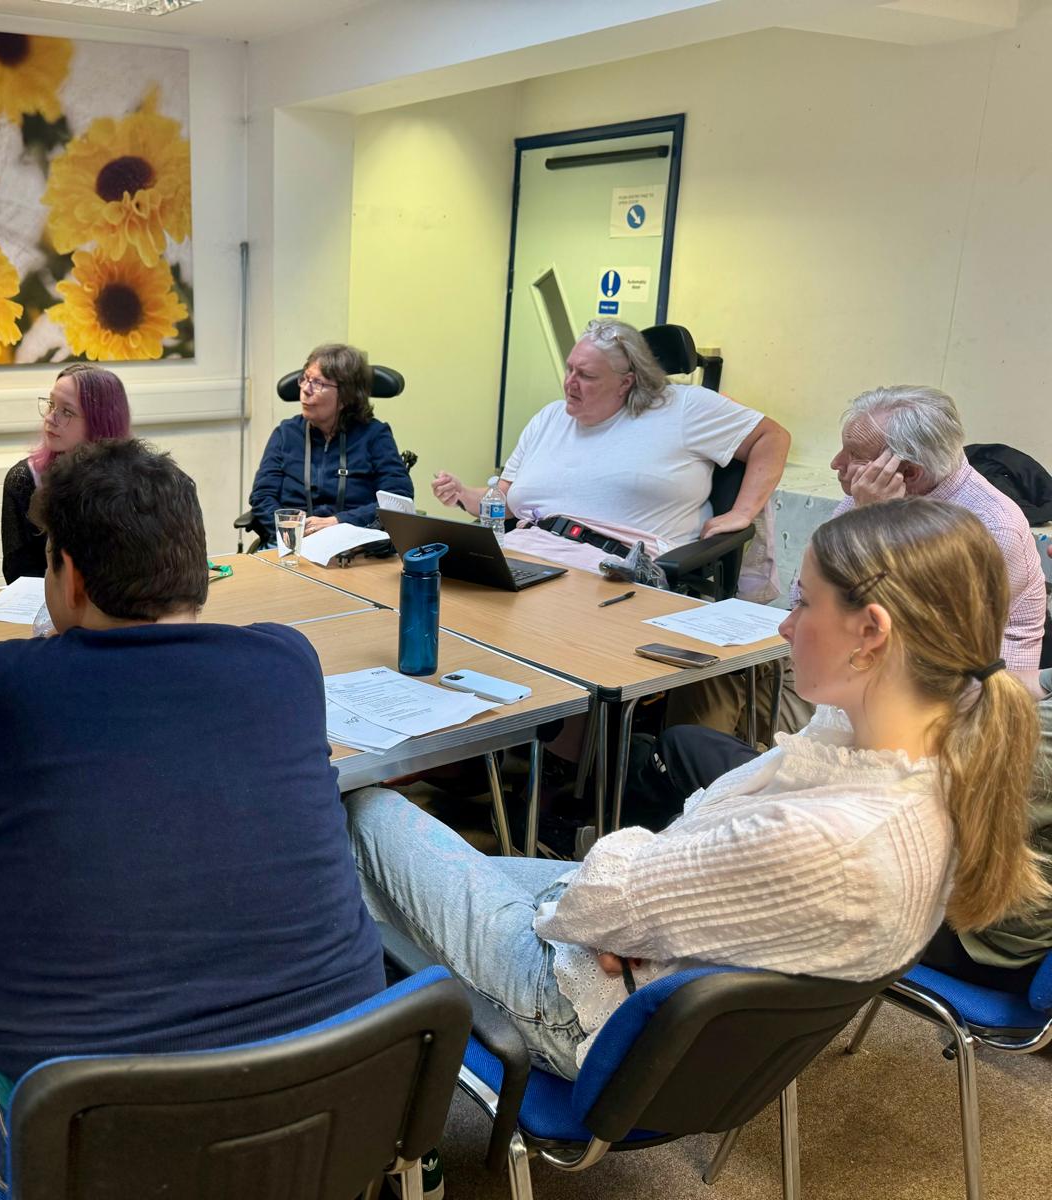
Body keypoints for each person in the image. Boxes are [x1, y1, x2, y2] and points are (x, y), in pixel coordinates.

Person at [349, 498, 1047, 1080]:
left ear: (871, 634)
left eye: (803, 603)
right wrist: (638, 897)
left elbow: (600, 901)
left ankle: (346, 1106)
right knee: (402, 881)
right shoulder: (912, 754)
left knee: (360, 813)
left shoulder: (837, 837)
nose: (784, 623)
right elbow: (647, 876)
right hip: (638, 955)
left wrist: (624, 897)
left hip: (579, 1001)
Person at [0, 438, 385, 1194]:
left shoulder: (9, 683)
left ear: (69, 575)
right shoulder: (286, 662)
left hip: (93, 1136)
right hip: (327, 1105)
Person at [670, 385, 1046, 745]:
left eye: (853, 455)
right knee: (712, 668)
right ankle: (707, 785)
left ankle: (739, 774)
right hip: (856, 658)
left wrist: (873, 523)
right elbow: (806, 591)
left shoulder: (991, 529)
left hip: (940, 699)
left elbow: (906, 639)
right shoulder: (870, 492)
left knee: (728, 718)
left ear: (909, 472)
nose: (837, 463)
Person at [431, 319, 789, 561]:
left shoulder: (682, 407)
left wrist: (742, 512)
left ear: (626, 382)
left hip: (617, 572)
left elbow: (772, 437)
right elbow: (504, 502)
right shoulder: (549, 418)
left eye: (586, 375)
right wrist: (463, 494)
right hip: (527, 558)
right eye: (569, 369)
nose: (570, 383)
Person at [248, 342, 413, 543]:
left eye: (318, 383)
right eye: (305, 379)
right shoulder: (286, 433)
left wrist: (339, 522)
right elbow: (262, 496)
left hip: (355, 546)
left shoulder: (375, 435)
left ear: (346, 396)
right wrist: (292, 531)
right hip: (291, 543)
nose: (305, 390)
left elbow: (397, 499)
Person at [0, 362, 131, 583]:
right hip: (51, 610)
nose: (50, 418)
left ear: (99, 421)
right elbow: (19, 577)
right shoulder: (25, 479)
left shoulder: (137, 479)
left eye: (66, 411)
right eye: (52, 405)